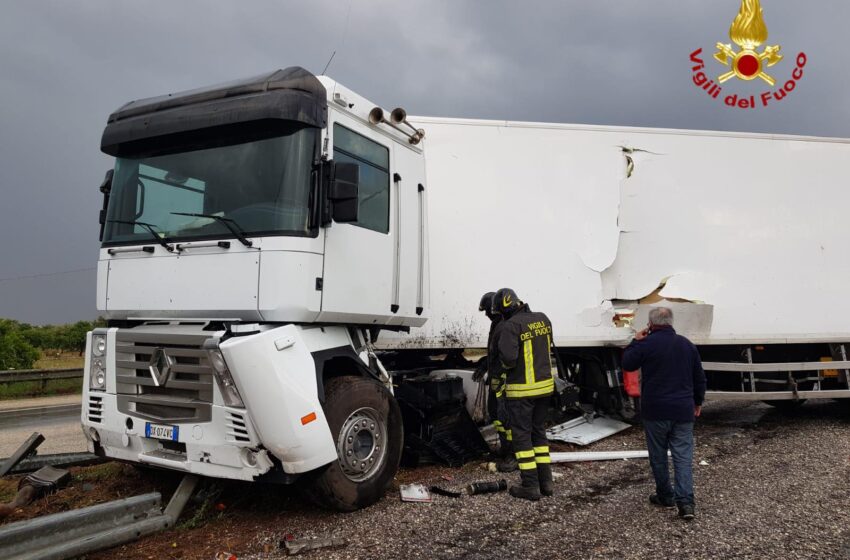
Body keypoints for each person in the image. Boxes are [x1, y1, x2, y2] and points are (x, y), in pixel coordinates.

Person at [622, 307, 706, 521]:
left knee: (658, 456)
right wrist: (697, 402)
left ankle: (665, 495)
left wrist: (635, 340)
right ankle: (686, 503)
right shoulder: (686, 345)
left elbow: (627, 364)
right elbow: (699, 378)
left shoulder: (646, 344)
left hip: (655, 411)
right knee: (683, 457)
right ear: (671, 322)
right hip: (682, 410)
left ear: (650, 324)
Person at [492, 288, 555, 500]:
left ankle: (530, 485)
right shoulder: (543, 319)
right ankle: (546, 482)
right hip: (545, 388)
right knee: (539, 433)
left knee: (521, 437)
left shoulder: (511, 326)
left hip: (522, 391)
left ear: (504, 309)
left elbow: (508, 359)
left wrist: (498, 371)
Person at [473, 291, 516, 472]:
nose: (486, 314)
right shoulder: (496, 325)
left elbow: (506, 357)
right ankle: (505, 449)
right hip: (496, 381)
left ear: (496, 309)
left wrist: (498, 377)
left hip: (503, 382)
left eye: (488, 311)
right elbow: (494, 354)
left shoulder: (504, 326)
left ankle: (512, 454)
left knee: (505, 417)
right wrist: (484, 365)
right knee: (496, 414)